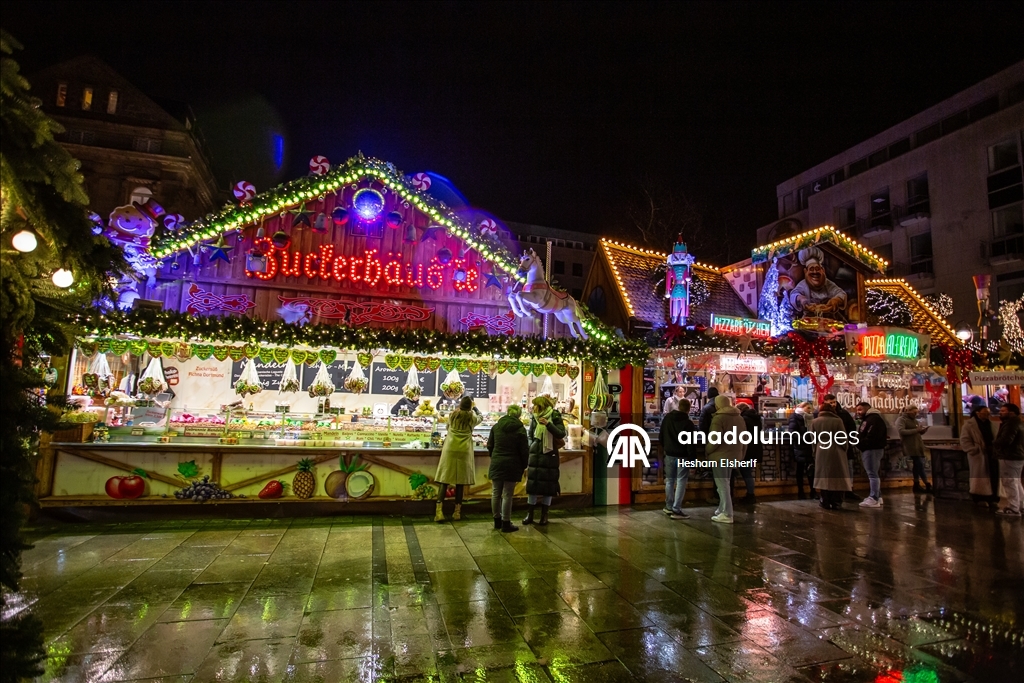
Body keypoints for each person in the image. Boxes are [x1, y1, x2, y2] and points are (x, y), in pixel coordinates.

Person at [434, 396, 482, 522]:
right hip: (464, 450)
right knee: (460, 482)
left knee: (444, 480)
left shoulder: (452, 415)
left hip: (450, 448)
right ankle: (457, 513)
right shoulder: (472, 417)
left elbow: (447, 428)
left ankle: (439, 513)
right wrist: (476, 409)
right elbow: (481, 418)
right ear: (470, 406)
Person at [523, 396, 566, 526]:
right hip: (536, 453)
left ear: (540, 405)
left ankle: (544, 515)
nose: (533, 407)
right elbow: (530, 434)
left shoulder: (554, 415)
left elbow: (561, 433)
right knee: (532, 485)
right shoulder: (534, 417)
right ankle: (530, 514)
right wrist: (532, 446)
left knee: (548, 485)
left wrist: (548, 424)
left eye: (535, 405)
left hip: (549, 453)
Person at [487, 405, 530, 533]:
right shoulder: (520, 429)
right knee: (507, 495)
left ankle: (497, 521)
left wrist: (494, 457)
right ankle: (506, 523)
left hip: (497, 463)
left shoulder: (496, 426)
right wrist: (524, 465)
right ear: (519, 415)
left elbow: (490, 445)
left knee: (495, 493)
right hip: (512, 464)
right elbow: (524, 450)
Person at [705, 395, 746, 524]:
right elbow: (745, 439)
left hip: (720, 456)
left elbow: (714, 440)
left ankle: (727, 514)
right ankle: (722, 509)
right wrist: (742, 454)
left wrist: (708, 450)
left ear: (718, 405)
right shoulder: (739, 417)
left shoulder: (718, 418)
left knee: (722, 485)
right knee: (726, 483)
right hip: (734, 455)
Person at [660, 397, 695, 519]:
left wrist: (667, 447)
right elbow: (691, 444)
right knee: (681, 481)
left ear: (678, 406)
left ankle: (668, 506)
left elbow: (661, 436)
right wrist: (692, 461)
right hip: (683, 456)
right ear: (688, 409)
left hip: (669, 454)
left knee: (669, 480)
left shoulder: (667, 418)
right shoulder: (689, 424)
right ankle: (676, 509)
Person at [788, 246, 847, 319]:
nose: (815, 272)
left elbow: (841, 294)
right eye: (811, 269)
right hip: (809, 320)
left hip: (829, 320)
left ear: (823, 270)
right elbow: (794, 294)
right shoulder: (803, 284)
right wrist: (801, 298)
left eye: (817, 269)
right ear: (805, 272)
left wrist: (836, 300)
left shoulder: (827, 283)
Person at [813, 402, 852, 509]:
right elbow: (842, 437)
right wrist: (845, 448)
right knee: (838, 476)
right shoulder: (838, 421)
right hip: (836, 449)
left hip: (821, 450)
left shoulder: (815, 421)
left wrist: (815, 451)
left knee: (823, 476)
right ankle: (836, 502)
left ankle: (824, 500)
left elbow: (813, 439)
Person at [960, 405, 998, 507]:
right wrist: (974, 449)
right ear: (978, 413)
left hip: (991, 454)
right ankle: (979, 497)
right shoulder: (969, 425)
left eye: (988, 412)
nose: (987, 414)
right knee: (979, 477)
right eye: (985, 412)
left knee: (992, 475)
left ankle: (992, 497)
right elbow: (965, 440)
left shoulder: (991, 424)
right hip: (978, 455)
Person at [993, 403, 1024, 517]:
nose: (1000, 412)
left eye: (1003, 410)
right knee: (1016, 482)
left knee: (1009, 482)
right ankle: (1020, 505)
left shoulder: (1010, 424)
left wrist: (994, 443)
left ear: (1011, 412)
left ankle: (1013, 508)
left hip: (1009, 456)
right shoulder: (1018, 422)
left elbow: (1006, 440)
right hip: (1017, 456)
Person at [856, 402, 888, 508]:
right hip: (870, 449)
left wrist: (861, 443)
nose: (858, 412)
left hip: (871, 449)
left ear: (867, 409)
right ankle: (878, 496)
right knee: (873, 473)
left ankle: (874, 497)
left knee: (872, 473)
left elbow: (872, 436)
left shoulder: (873, 420)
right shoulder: (871, 419)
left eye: (860, 410)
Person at [896, 405, 931, 493]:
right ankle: (927, 484)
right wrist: (916, 430)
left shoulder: (914, 420)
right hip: (909, 445)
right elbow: (901, 431)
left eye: (916, 412)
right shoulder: (901, 419)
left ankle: (916, 484)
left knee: (918, 465)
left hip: (917, 444)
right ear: (907, 410)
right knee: (919, 464)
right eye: (914, 412)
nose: (915, 414)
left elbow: (917, 431)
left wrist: (922, 431)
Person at [738, 403, 762, 504]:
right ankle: (750, 494)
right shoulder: (757, 419)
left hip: (747, 449)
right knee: (748, 472)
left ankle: (750, 495)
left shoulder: (744, 419)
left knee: (746, 473)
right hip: (756, 448)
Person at [790, 401, 815, 499]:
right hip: (800, 447)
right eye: (808, 408)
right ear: (802, 407)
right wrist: (804, 438)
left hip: (810, 447)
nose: (810, 410)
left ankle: (813, 490)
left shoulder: (811, 417)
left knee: (811, 470)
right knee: (800, 470)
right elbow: (792, 432)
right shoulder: (795, 417)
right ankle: (801, 491)